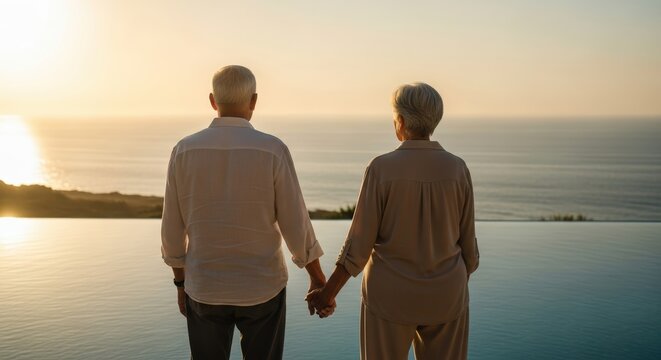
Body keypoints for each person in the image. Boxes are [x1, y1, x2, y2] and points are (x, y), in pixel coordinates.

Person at [161, 65, 329, 360]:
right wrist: (317, 277)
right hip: (262, 287)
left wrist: (180, 283)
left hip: (204, 287)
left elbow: (172, 230)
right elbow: (295, 222)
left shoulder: (184, 151)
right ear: (253, 101)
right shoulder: (272, 150)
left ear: (213, 101)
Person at [307, 82, 479, 359]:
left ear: (399, 121)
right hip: (446, 297)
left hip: (389, 298)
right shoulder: (458, 169)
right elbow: (469, 249)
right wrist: (448, 284)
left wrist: (327, 294)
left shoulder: (381, 168)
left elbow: (358, 247)